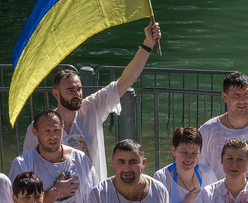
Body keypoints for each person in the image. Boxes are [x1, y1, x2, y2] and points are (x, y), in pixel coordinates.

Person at [23, 21, 161, 180]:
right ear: (56, 94)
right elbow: (27, 170)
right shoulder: (37, 128)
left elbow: (125, 81)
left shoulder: (92, 107)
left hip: (94, 198)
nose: (77, 94)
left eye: (79, 89)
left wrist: (148, 44)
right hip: (58, 201)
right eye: (70, 90)